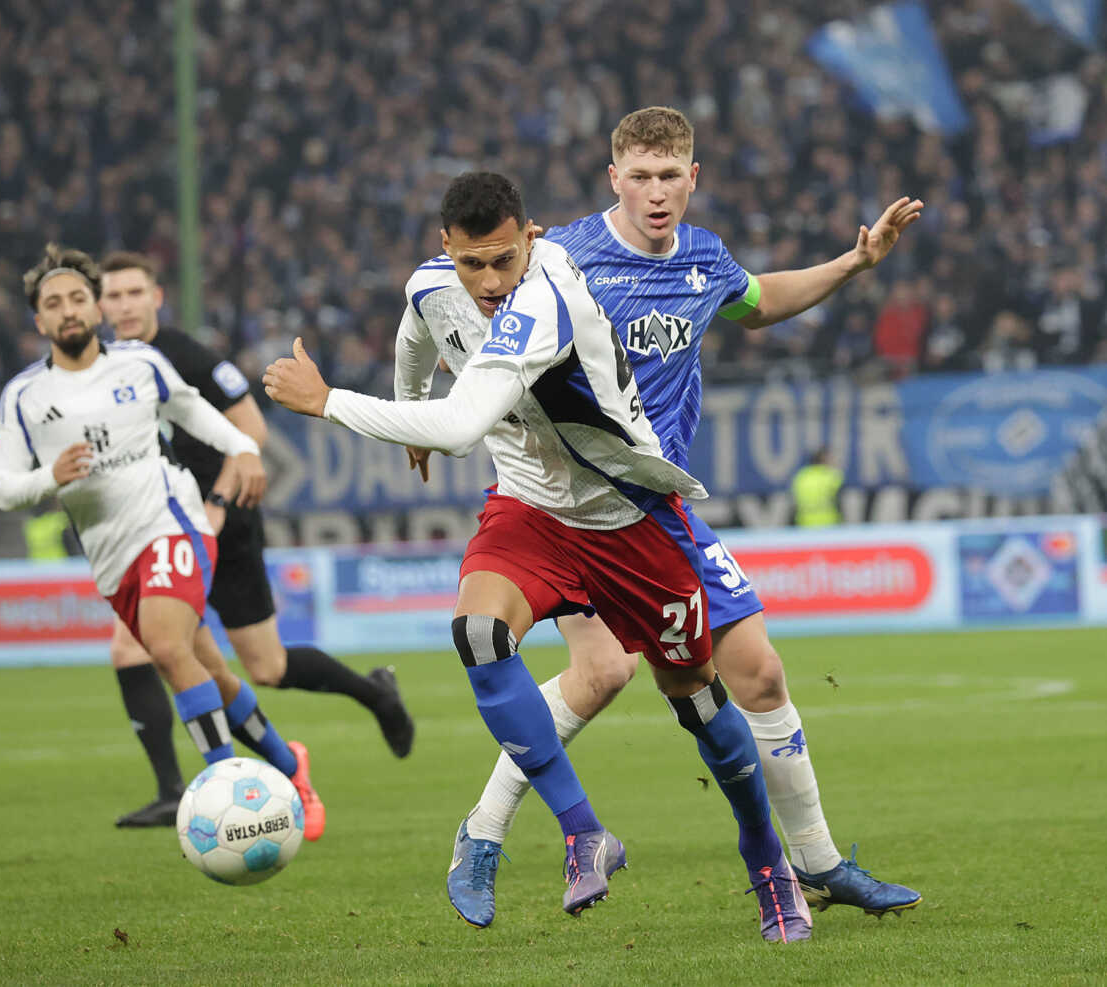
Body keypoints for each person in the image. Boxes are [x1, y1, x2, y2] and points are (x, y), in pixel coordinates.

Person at [265, 173, 811, 942]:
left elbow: (461, 424)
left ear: (535, 237)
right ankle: (583, 829)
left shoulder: (548, 297)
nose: (489, 283)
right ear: (446, 250)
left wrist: (329, 401)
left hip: (629, 517)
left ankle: (768, 863)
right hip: (531, 509)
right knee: (481, 635)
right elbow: (418, 327)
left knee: (694, 693)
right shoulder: (438, 284)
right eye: (471, 264)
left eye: (503, 260)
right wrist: (408, 404)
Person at [445, 106, 922, 927]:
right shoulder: (564, 259)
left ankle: (815, 862)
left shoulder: (705, 258)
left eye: (671, 176)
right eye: (640, 176)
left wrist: (855, 262)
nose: (656, 192)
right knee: (595, 670)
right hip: (567, 507)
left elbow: (759, 302)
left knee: (753, 674)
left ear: (693, 178)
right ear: (613, 179)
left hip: (658, 511)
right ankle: (484, 833)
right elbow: (464, 290)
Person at [0, 243, 324, 840]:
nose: (68, 311)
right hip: (113, 558)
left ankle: (229, 801)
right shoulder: (23, 398)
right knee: (210, 671)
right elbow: (4, 488)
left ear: (95, 309)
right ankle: (288, 763)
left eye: (77, 299)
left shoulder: (139, 364)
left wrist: (243, 448)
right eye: (53, 304)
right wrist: (49, 478)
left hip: (174, 522)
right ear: (38, 321)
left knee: (167, 651)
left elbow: (194, 410)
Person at [96, 251, 414, 828]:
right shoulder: (102, 368)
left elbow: (254, 429)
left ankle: (369, 697)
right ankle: (182, 787)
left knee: (259, 666)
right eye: (113, 296)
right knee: (155, 652)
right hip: (163, 530)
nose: (123, 305)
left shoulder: (187, 356)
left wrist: (215, 507)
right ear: (100, 305)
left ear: (156, 296)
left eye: (133, 293)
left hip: (221, 525)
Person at [792, 448, 844, 527]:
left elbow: (794, 503)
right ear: (824, 459)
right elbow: (842, 503)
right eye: (831, 458)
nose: (834, 461)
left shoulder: (801, 477)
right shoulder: (832, 477)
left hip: (804, 525)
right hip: (829, 524)